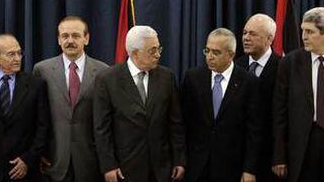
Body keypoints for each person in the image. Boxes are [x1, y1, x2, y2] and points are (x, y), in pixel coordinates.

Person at [94, 25, 186, 182]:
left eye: (159, 49)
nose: (157, 55)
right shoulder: (107, 80)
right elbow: (102, 129)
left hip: (162, 168)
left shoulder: (167, 77)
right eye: (152, 50)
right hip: (125, 168)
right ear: (135, 53)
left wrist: (179, 160)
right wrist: (108, 165)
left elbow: (175, 123)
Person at [33, 16, 108, 182]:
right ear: (59, 40)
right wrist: (39, 152)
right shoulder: (42, 70)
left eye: (76, 35)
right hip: (54, 160)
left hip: (91, 161)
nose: (70, 41)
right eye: (65, 36)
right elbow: (36, 117)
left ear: (86, 38)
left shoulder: (104, 72)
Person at [182, 28, 262, 182]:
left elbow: (254, 131)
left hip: (232, 167)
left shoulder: (249, 82)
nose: (209, 57)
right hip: (196, 166)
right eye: (207, 51)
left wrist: (249, 169)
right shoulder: (193, 78)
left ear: (231, 54)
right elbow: (183, 123)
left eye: (216, 53)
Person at [272, 7, 324, 182]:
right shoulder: (290, 63)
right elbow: (279, 113)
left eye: (310, 32)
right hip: (304, 143)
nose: (303, 37)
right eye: (303, 30)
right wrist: (279, 155)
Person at [0, 34, 49, 182]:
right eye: (11, 54)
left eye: (19, 53)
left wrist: (28, 159)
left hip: (25, 169)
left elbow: (43, 127)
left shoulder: (36, 85)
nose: (17, 58)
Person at [236, 14, 281, 182]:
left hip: (269, 158)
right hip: (238, 156)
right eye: (245, 33)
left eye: (253, 34)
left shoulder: (283, 67)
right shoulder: (236, 66)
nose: (246, 38)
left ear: (269, 38)